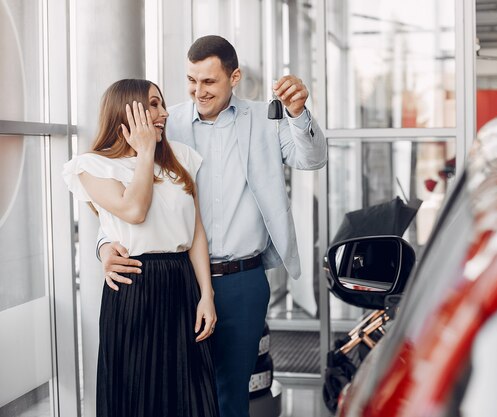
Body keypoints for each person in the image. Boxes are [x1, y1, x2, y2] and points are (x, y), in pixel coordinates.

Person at [99, 36, 327, 417]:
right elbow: (121, 185)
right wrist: (105, 247)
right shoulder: (164, 123)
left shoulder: (266, 120)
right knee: (176, 393)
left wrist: (299, 114)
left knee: (230, 393)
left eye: (209, 82)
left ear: (233, 77)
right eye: (191, 80)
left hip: (243, 280)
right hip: (177, 279)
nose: (197, 91)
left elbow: (312, 159)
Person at [63, 79, 219, 417]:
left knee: (191, 393)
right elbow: (134, 211)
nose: (164, 113)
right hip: (135, 284)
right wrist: (146, 151)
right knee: (136, 391)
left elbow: (196, 233)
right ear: (127, 110)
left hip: (181, 282)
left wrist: (206, 294)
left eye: (162, 104)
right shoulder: (93, 166)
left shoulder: (182, 157)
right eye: (153, 105)